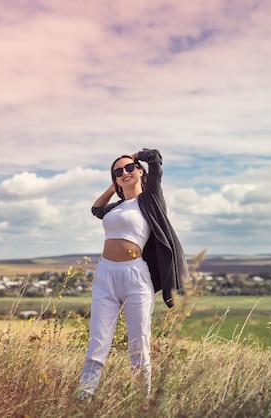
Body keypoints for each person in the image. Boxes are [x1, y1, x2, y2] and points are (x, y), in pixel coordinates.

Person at [77, 148, 188, 402]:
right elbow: (96, 209)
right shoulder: (116, 208)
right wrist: (114, 185)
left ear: (140, 171)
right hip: (105, 275)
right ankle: (83, 399)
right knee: (96, 345)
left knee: (139, 347)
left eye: (129, 168)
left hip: (135, 277)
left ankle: (141, 402)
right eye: (118, 171)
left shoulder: (150, 200)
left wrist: (137, 155)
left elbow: (156, 160)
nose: (125, 172)